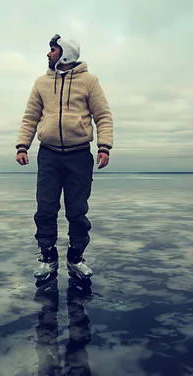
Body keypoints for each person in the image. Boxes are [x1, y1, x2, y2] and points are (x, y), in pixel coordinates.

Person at [15, 34, 113, 282]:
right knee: (45, 209)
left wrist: (104, 146)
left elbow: (103, 115)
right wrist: (22, 146)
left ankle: (76, 258)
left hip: (79, 156)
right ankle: (48, 259)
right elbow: (30, 117)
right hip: (48, 156)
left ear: (65, 54)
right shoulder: (41, 83)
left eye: (52, 50)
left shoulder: (89, 82)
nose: (48, 54)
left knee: (77, 211)